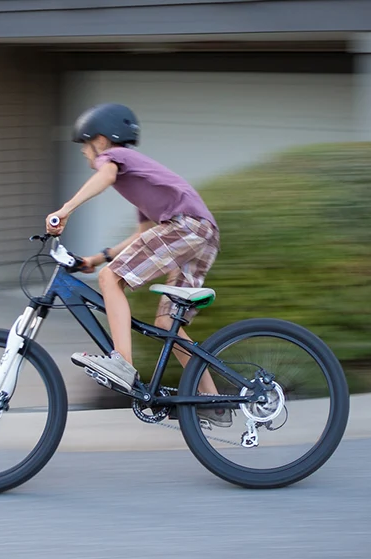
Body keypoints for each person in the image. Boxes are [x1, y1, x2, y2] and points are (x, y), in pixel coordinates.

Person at [45, 102, 231, 428]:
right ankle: (213, 403)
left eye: (85, 146)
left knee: (110, 280)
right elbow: (144, 235)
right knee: (166, 322)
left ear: (101, 141)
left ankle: (122, 364)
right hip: (203, 233)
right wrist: (98, 257)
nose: (85, 155)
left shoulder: (118, 159)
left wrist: (66, 210)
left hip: (186, 227)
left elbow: (107, 173)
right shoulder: (138, 179)